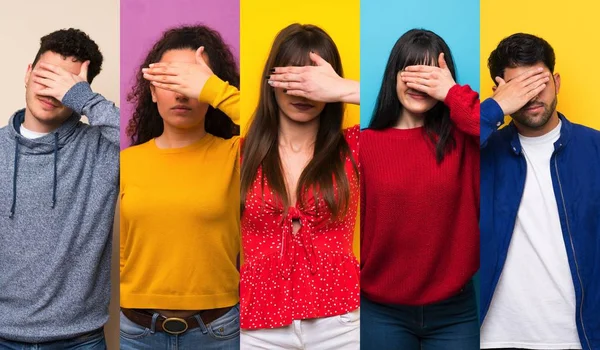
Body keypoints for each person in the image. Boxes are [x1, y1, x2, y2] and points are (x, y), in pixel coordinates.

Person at [119, 25, 241, 349]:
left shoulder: (235, 154)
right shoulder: (125, 162)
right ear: (152, 91)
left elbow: (281, 131)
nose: (182, 92)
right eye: (170, 80)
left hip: (218, 332)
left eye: (191, 82)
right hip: (136, 333)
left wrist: (215, 89)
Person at [239, 23, 360, 350]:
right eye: (292, 79)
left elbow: (413, 121)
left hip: (341, 321)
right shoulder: (240, 151)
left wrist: (344, 89)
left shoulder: (354, 147)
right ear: (272, 81)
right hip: (257, 324)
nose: (303, 92)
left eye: (313, 82)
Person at [359, 29, 480, 349]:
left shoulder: (463, 142)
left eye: (431, 75)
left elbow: (493, 126)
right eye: (411, 72)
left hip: (454, 310)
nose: (420, 83)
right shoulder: (364, 143)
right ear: (393, 76)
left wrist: (452, 93)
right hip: (381, 310)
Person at [479, 33, 600, 350]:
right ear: (500, 92)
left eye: (539, 82)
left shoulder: (595, 149)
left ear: (557, 82)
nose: (532, 96)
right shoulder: (482, 151)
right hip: (494, 338)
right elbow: (435, 164)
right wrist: (493, 110)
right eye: (519, 88)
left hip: (577, 337)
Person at [0, 28, 119, 348]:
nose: (51, 91)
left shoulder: (103, 149)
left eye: (65, 85)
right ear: (27, 73)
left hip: (79, 339)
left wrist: (85, 100)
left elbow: (153, 149)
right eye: (46, 76)